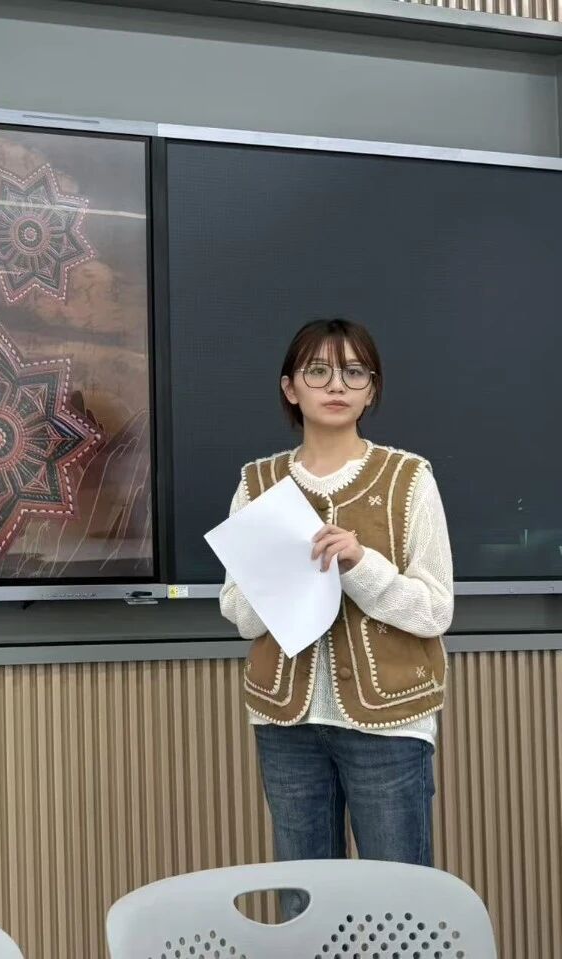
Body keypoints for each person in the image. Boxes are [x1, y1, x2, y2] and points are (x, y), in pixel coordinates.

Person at [220, 318, 454, 917]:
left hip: (389, 722)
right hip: (286, 722)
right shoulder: (257, 483)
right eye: (318, 371)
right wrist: (280, 573)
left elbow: (435, 609)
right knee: (305, 903)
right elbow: (240, 616)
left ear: (371, 390)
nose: (336, 385)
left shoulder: (409, 477)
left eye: (354, 372)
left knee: (399, 906)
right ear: (290, 388)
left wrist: (360, 564)